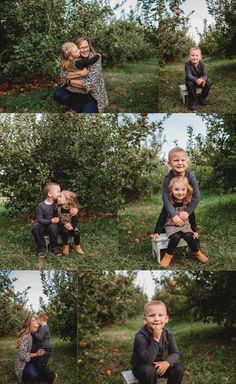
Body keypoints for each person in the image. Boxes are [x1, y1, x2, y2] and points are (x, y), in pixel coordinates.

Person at [153, 176, 208, 267]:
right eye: (177, 189)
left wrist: (194, 230)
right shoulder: (169, 203)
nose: (180, 192)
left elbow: (192, 217)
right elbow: (162, 217)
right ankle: (168, 255)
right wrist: (157, 232)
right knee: (176, 237)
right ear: (171, 190)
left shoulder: (188, 203)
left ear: (187, 190)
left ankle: (197, 253)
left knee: (189, 235)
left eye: (183, 189)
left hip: (185, 225)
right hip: (171, 225)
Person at [131, 300, 184, 384]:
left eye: (160, 315)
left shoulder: (168, 334)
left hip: (158, 365)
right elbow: (147, 360)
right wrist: (156, 338)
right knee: (149, 371)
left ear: (166, 319)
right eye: (152, 315)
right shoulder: (140, 336)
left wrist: (167, 362)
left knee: (178, 368)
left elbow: (175, 353)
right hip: (142, 367)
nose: (156, 319)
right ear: (145, 320)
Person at [53, 36, 108, 113]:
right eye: (82, 48)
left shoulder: (95, 57)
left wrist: (69, 81)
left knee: (87, 111)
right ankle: (77, 105)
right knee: (58, 94)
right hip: (76, 90)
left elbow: (91, 84)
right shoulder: (71, 58)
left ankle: (78, 107)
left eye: (87, 47)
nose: (86, 50)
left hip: (92, 94)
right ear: (74, 48)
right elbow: (62, 74)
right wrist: (80, 73)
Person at [32, 182, 62, 258]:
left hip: (53, 226)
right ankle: (41, 248)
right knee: (35, 227)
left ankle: (54, 247)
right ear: (50, 194)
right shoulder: (41, 206)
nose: (60, 193)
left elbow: (68, 207)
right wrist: (50, 221)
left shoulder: (58, 204)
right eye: (58, 191)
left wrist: (74, 210)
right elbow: (39, 219)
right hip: (43, 225)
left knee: (53, 227)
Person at [15, 315, 45, 383]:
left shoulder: (33, 335)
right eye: (34, 320)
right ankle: (24, 376)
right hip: (23, 364)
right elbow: (22, 355)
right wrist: (37, 354)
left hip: (31, 360)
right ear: (28, 324)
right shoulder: (25, 337)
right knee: (34, 375)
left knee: (41, 372)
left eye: (37, 321)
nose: (37, 323)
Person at [57, 190, 84, 256]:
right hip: (62, 227)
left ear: (67, 201)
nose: (58, 198)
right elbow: (57, 220)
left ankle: (77, 246)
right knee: (64, 232)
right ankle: (66, 246)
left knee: (76, 233)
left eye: (60, 197)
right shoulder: (57, 208)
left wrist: (72, 227)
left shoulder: (72, 210)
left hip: (71, 226)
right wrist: (64, 225)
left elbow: (75, 220)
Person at [32, 312, 57, 384]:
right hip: (45, 348)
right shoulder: (44, 327)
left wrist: (34, 332)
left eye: (37, 319)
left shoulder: (44, 327)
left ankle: (52, 375)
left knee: (41, 365)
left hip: (45, 348)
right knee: (43, 364)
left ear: (41, 319)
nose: (37, 321)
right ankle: (46, 379)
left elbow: (39, 338)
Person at [185, 47, 212, 112]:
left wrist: (203, 80)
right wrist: (197, 80)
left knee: (209, 82)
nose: (194, 57)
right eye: (192, 55)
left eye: (197, 55)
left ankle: (202, 98)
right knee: (190, 83)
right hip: (191, 81)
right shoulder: (187, 65)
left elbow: (205, 75)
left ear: (200, 57)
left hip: (200, 82)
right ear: (189, 57)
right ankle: (192, 102)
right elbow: (189, 75)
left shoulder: (202, 64)